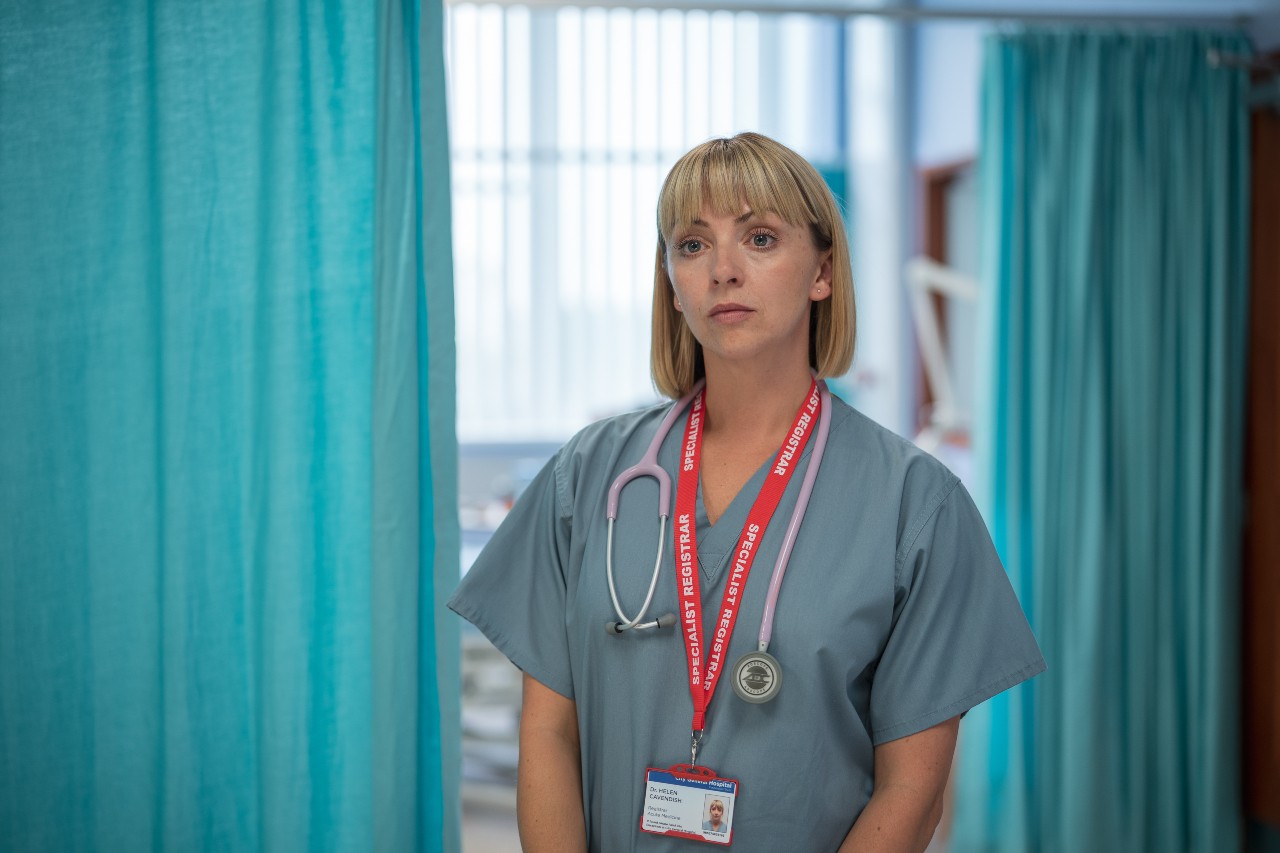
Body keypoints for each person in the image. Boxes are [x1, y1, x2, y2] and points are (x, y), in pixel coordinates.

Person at [448, 132, 1044, 853]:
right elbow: (548, 732)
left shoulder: (916, 505)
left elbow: (911, 794)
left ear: (823, 271)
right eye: (692, 245)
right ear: (672, 284)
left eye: (759, 238)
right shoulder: (589, 473)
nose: (723, 270)